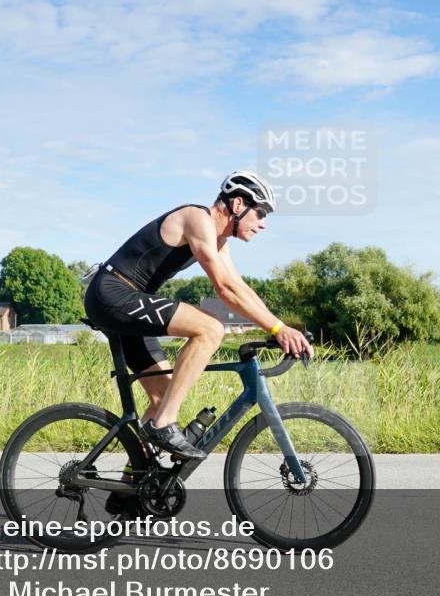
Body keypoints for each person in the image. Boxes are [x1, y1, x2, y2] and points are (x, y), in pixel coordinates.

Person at [84, 171, 313, 461]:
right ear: (239, 205)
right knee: (210, 329)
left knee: (162, 397)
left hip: (129, 301)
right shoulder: (197, 219)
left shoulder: (218, 240)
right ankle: (164, 425)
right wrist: (277, 329)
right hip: (113, 294)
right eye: (261, 213)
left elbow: (240, 287)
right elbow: (224, 288)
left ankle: (133, 484)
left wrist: (281, 328)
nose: (263, 224)